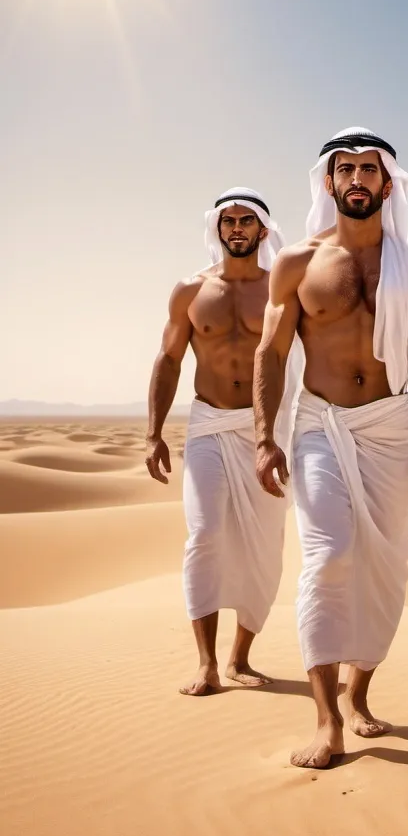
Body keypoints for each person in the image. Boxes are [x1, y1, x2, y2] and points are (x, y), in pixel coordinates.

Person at [253, 127, 408, 769]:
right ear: (329, 182)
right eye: (347, 170)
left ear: (388, 184)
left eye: (371, 169)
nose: (359, 179)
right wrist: (265, 436)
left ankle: (359, 693)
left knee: (384, 565)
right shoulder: (297, 264)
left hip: (391, 426)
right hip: (320, 424)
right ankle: (326, 719)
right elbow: (272, 352)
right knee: (330, 555)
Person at [145, 187, 295, 696]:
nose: (236, 228)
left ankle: (239, 659)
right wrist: (153, 433)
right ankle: (206, 664)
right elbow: (168, 361)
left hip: (267, 433)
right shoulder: (190, 291)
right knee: (204, 534)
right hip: (208, 424)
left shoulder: (281, 290)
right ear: (217, 228)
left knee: (264, 548)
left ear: (263, 230)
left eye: (246, 220)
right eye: (227, 220)